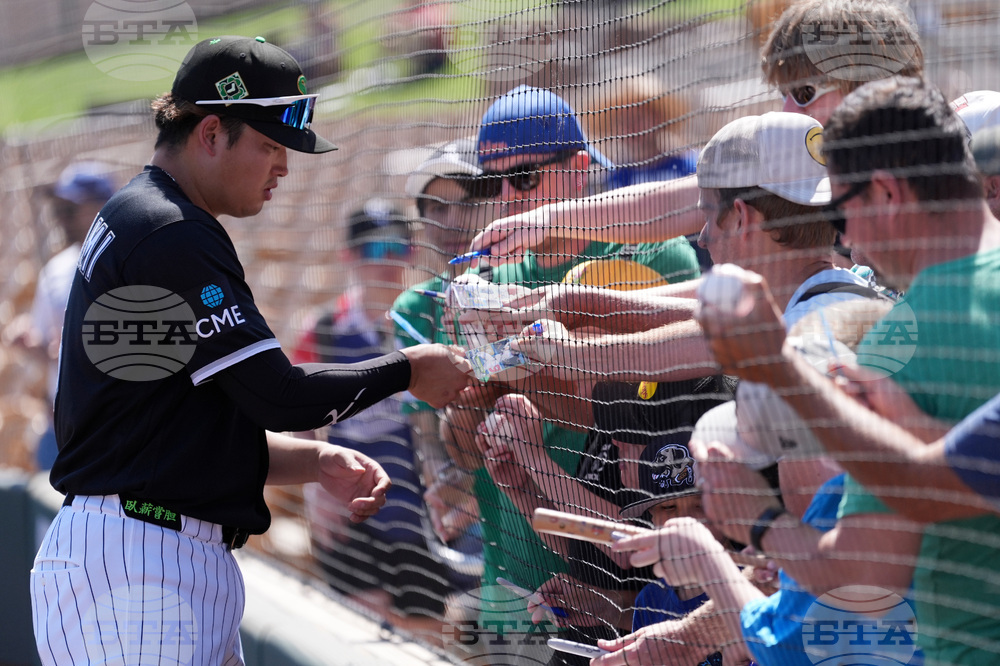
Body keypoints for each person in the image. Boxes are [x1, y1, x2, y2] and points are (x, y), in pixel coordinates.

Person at [30, 35, 471, 666]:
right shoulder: (169, 230)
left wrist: (314, 460)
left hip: (144, 552)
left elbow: (174, 434)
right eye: (269, 144)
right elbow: (279, 396)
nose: (284, 166)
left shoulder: (143, 217)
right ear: (212, 133)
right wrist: (409, 369)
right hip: (137, 570)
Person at [695, 76, 1000, 664]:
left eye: (844, 210)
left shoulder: (909, 340)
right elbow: (953, 477)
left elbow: (862, 581)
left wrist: (756, 518)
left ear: (885, 192)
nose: (850, 242)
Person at [464, 0, 924, 268]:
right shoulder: (808, 161)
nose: (787, 111)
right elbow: (675, 202)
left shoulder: (936, 173)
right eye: (784, 94)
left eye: (804, 93)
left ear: (873, 87)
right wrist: (547, 220)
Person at [292, 201, 452, 639]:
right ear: (349, 255)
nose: (387, 260)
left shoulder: (426, 322)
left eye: (398, 247)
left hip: (418, 510)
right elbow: (297, 413)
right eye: (374, 247)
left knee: (422, 635)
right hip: (351, 506)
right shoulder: (324, 329)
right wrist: (314, 490)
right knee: (362, 632)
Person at [4, 162, 115, 470]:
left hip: (115, 418)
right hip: (67, 418)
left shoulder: (129, 261)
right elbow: (49, 348)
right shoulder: (55, 271)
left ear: (104, 206)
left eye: (70, 209)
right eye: (59, 210)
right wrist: (33, 344)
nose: (61, 218)